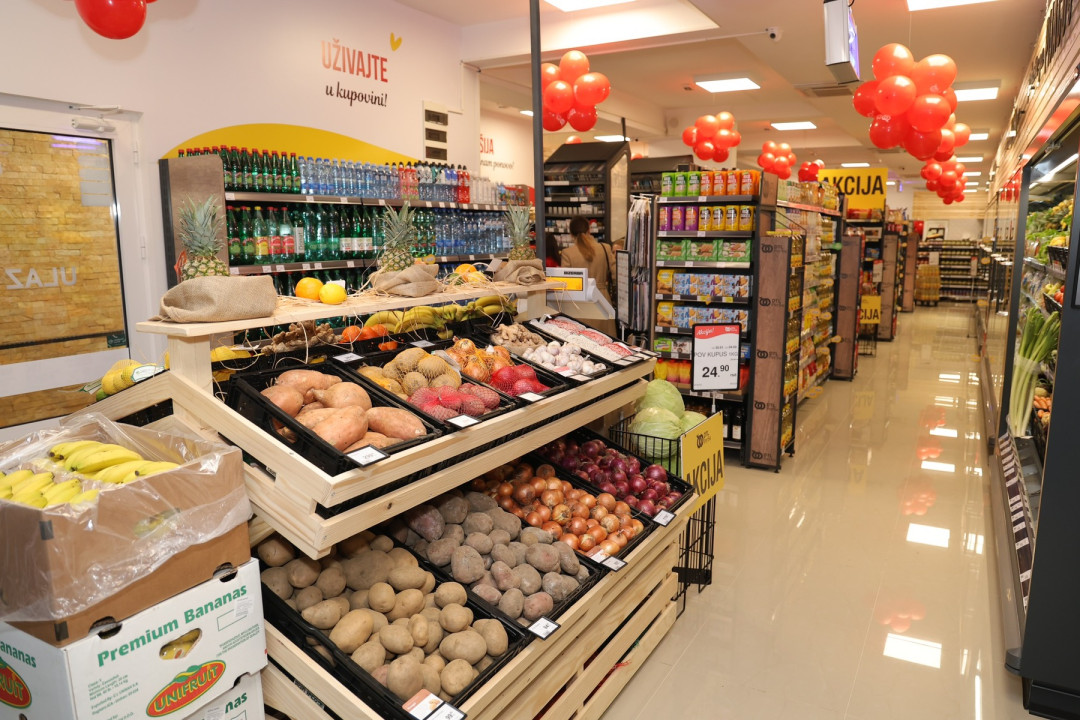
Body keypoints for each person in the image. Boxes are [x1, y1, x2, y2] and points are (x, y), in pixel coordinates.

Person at [561, 217, 615, 302]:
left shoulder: (567, 253)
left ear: (571, 233)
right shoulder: (605, 248)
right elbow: (616, 276)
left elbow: (566, 282)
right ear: (589, 230)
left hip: (579, 300)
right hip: (602, 298)